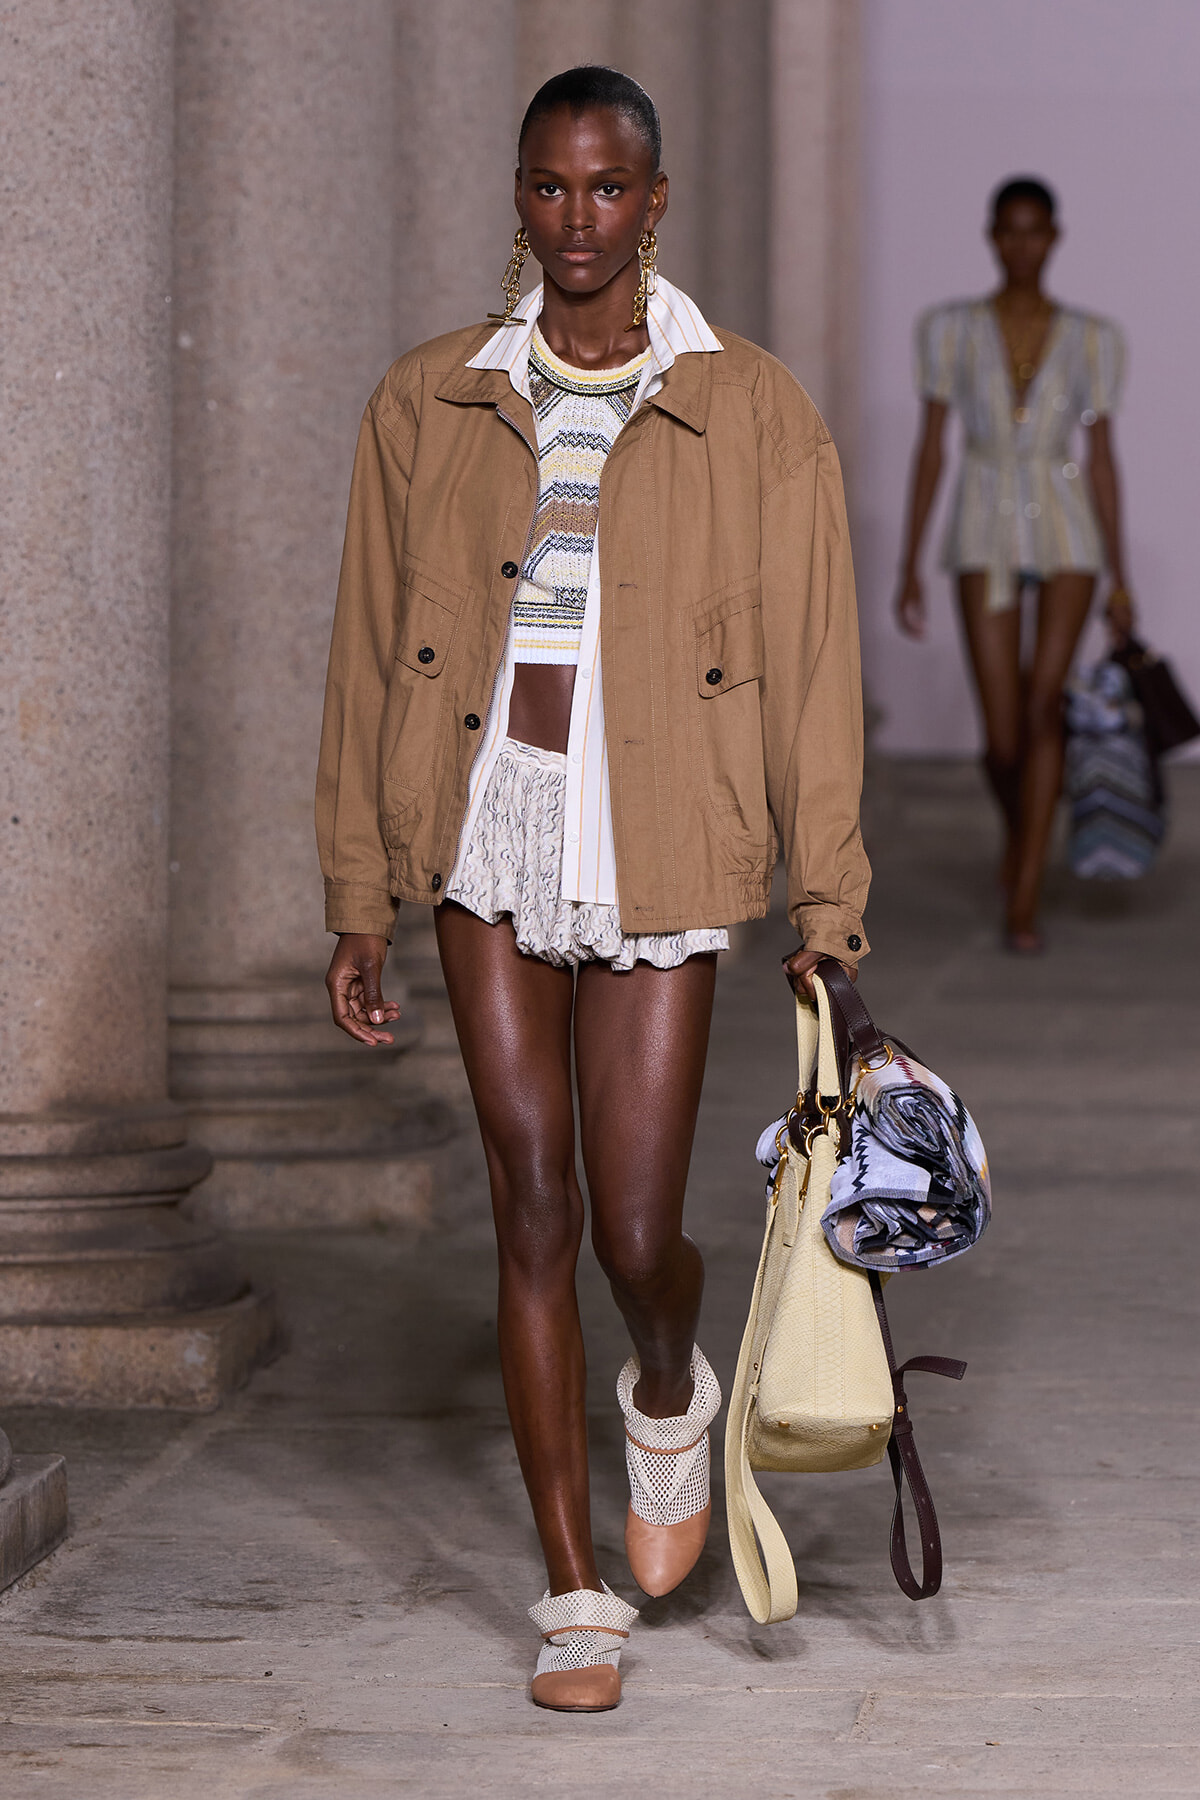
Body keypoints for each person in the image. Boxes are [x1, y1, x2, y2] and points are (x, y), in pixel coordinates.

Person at [316, 66, 869, 1712]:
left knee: (637, 1227)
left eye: (608, 189)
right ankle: (571, 1587)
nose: (578, 220)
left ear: (657, 198)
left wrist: (825, 912)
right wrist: (359, 886)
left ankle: (663, 1376)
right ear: (519, 198)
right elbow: (365, 652)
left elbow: (813, 668)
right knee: (532, 1196)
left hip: (663, 830)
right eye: (549, 189)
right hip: (491, 818)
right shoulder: (431, 401)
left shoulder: (751, 406)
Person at [894, 177, 1131, 952]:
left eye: (1035, 231)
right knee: (1001, 738)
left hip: (1066, 531)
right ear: (992, 237)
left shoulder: (1093, 338)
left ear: (1054, 237)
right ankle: (1026, 836)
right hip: (979, 522)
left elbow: (1101, 461)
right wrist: (908, 560)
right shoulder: (950, 330)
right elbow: (932, 447)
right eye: (1010, 231)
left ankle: (1023, 892)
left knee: (1042, 711)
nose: (1022, 245)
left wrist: (1120, 575)